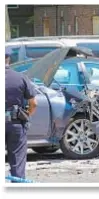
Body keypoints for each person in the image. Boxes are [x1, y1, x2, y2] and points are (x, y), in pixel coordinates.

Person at [5, 49, 37, 182]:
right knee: (17, 161)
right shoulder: (21, 77)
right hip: (15, 123)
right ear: (8, 59)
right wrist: (26, 115)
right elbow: (33, 103)